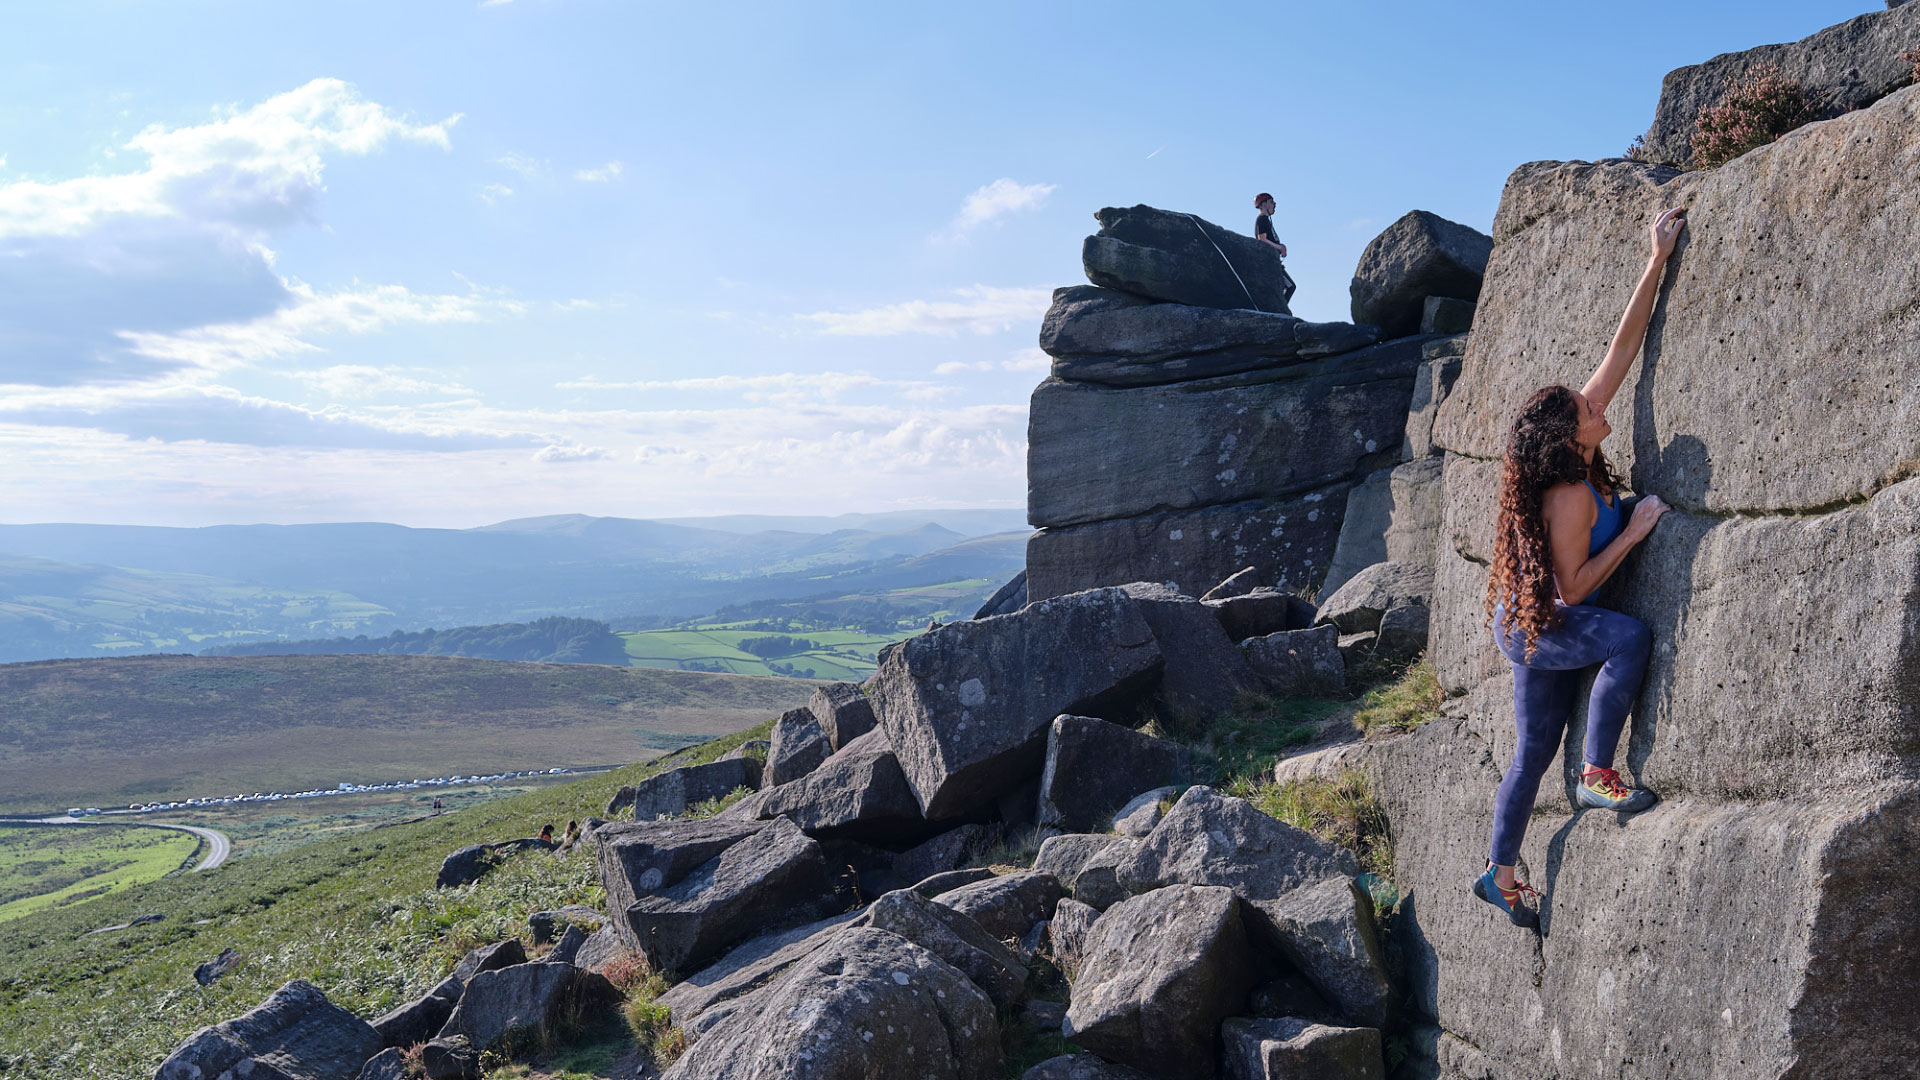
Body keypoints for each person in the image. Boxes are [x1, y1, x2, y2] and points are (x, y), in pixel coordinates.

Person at [1473, 206, 1687, 929]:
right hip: (1543, 623)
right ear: (1567, 435)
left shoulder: (1582, 450)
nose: (1597, 400)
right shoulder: (1568, 496)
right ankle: (1599, 773)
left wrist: (1653, 261)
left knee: (1531, 750)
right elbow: (1573, 587)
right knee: (1627, 638)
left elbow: (1621, 352)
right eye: (1583, 405)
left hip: (1529, 620)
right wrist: (1635, 533)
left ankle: (1498, 874)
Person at [1252, 193, 1298, 306]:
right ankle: (1281, 309)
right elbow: (1262, 239)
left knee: (1283, 287)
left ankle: (1279, 308)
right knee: (1290, 286)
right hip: (1269, 261)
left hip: (1273, 261)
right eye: (1271, 202)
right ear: (1264, 204)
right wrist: (1280, 247)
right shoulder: (1262, 219)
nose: (1274, 205)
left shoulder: (1266, 220)